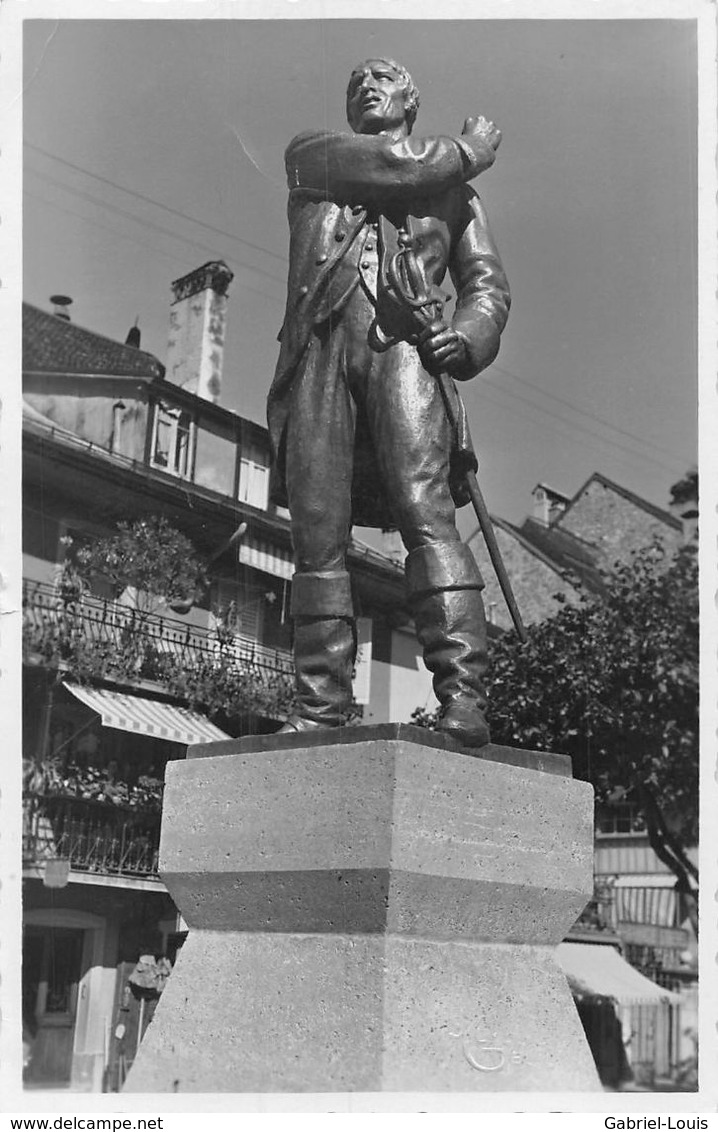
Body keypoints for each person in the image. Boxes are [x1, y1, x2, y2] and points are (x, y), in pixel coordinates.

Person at [267, 58, 510, 747]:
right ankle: (320, 703)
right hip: (317, 356)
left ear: (411, 96)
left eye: (383, 77)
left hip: (404, 352)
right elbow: (398, 165)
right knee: (316, 532)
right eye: (354, 83)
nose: (366, 86)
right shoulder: (315, 158)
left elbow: (487, 286)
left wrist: (467, 339)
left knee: (427, 515)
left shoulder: (456, 198)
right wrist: (469, 151)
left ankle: (464, 698)